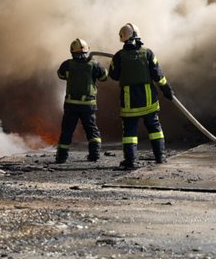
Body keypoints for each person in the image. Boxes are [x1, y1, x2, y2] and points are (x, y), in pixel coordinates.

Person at [107, 23, 174, 170]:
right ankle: (160, 157)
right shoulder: (148, 53)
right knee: (155, 128)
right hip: (148, 99)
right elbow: (158, 76)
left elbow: (114, 76)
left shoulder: (119, 56)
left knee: (130, 132)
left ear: (123, 38)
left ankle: (130, 162)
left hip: (129, 101)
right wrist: (167, 90)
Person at [55, 38, 108, 163]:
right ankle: (94, 155)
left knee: (67, 131)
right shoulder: (94, 64)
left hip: (71, 104)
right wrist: (102, 68)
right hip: (88, 105)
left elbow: (61, 75)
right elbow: (104, 77)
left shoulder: (67, 64)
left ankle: (61, 157)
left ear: (72, 52)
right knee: (91, 130)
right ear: (86, 50)